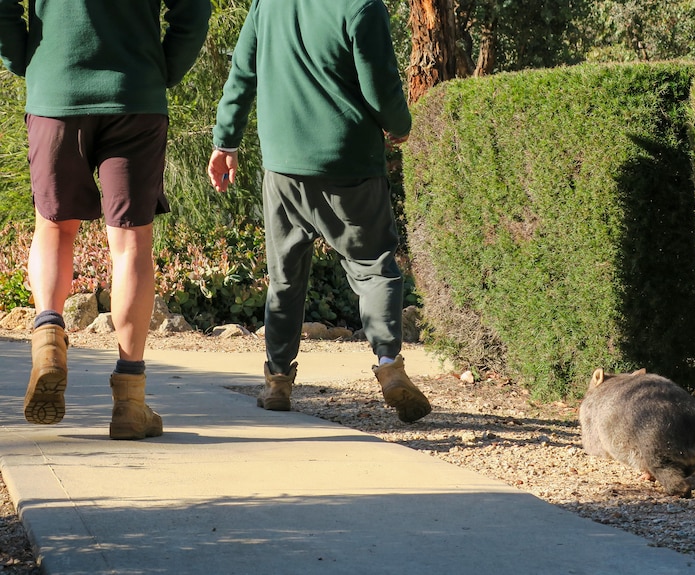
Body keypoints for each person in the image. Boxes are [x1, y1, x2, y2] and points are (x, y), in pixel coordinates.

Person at [207, 0, 431, 423]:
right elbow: (380, 85)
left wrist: (225, 141)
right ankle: (388, 365)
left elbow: (242, 73)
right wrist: (401, 126)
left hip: (283, 166)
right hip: (351, 163)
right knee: (373, 265)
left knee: (285, 275)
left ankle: (276, 380)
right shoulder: (361, 6)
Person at [0, 0, 211, 439]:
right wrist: (161, 69)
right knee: (132, 243)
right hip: (136, 93)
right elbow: (192, 9)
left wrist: (28, 61)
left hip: (56, 91)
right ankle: (130, 403)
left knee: (54, 225)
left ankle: (48, 337)